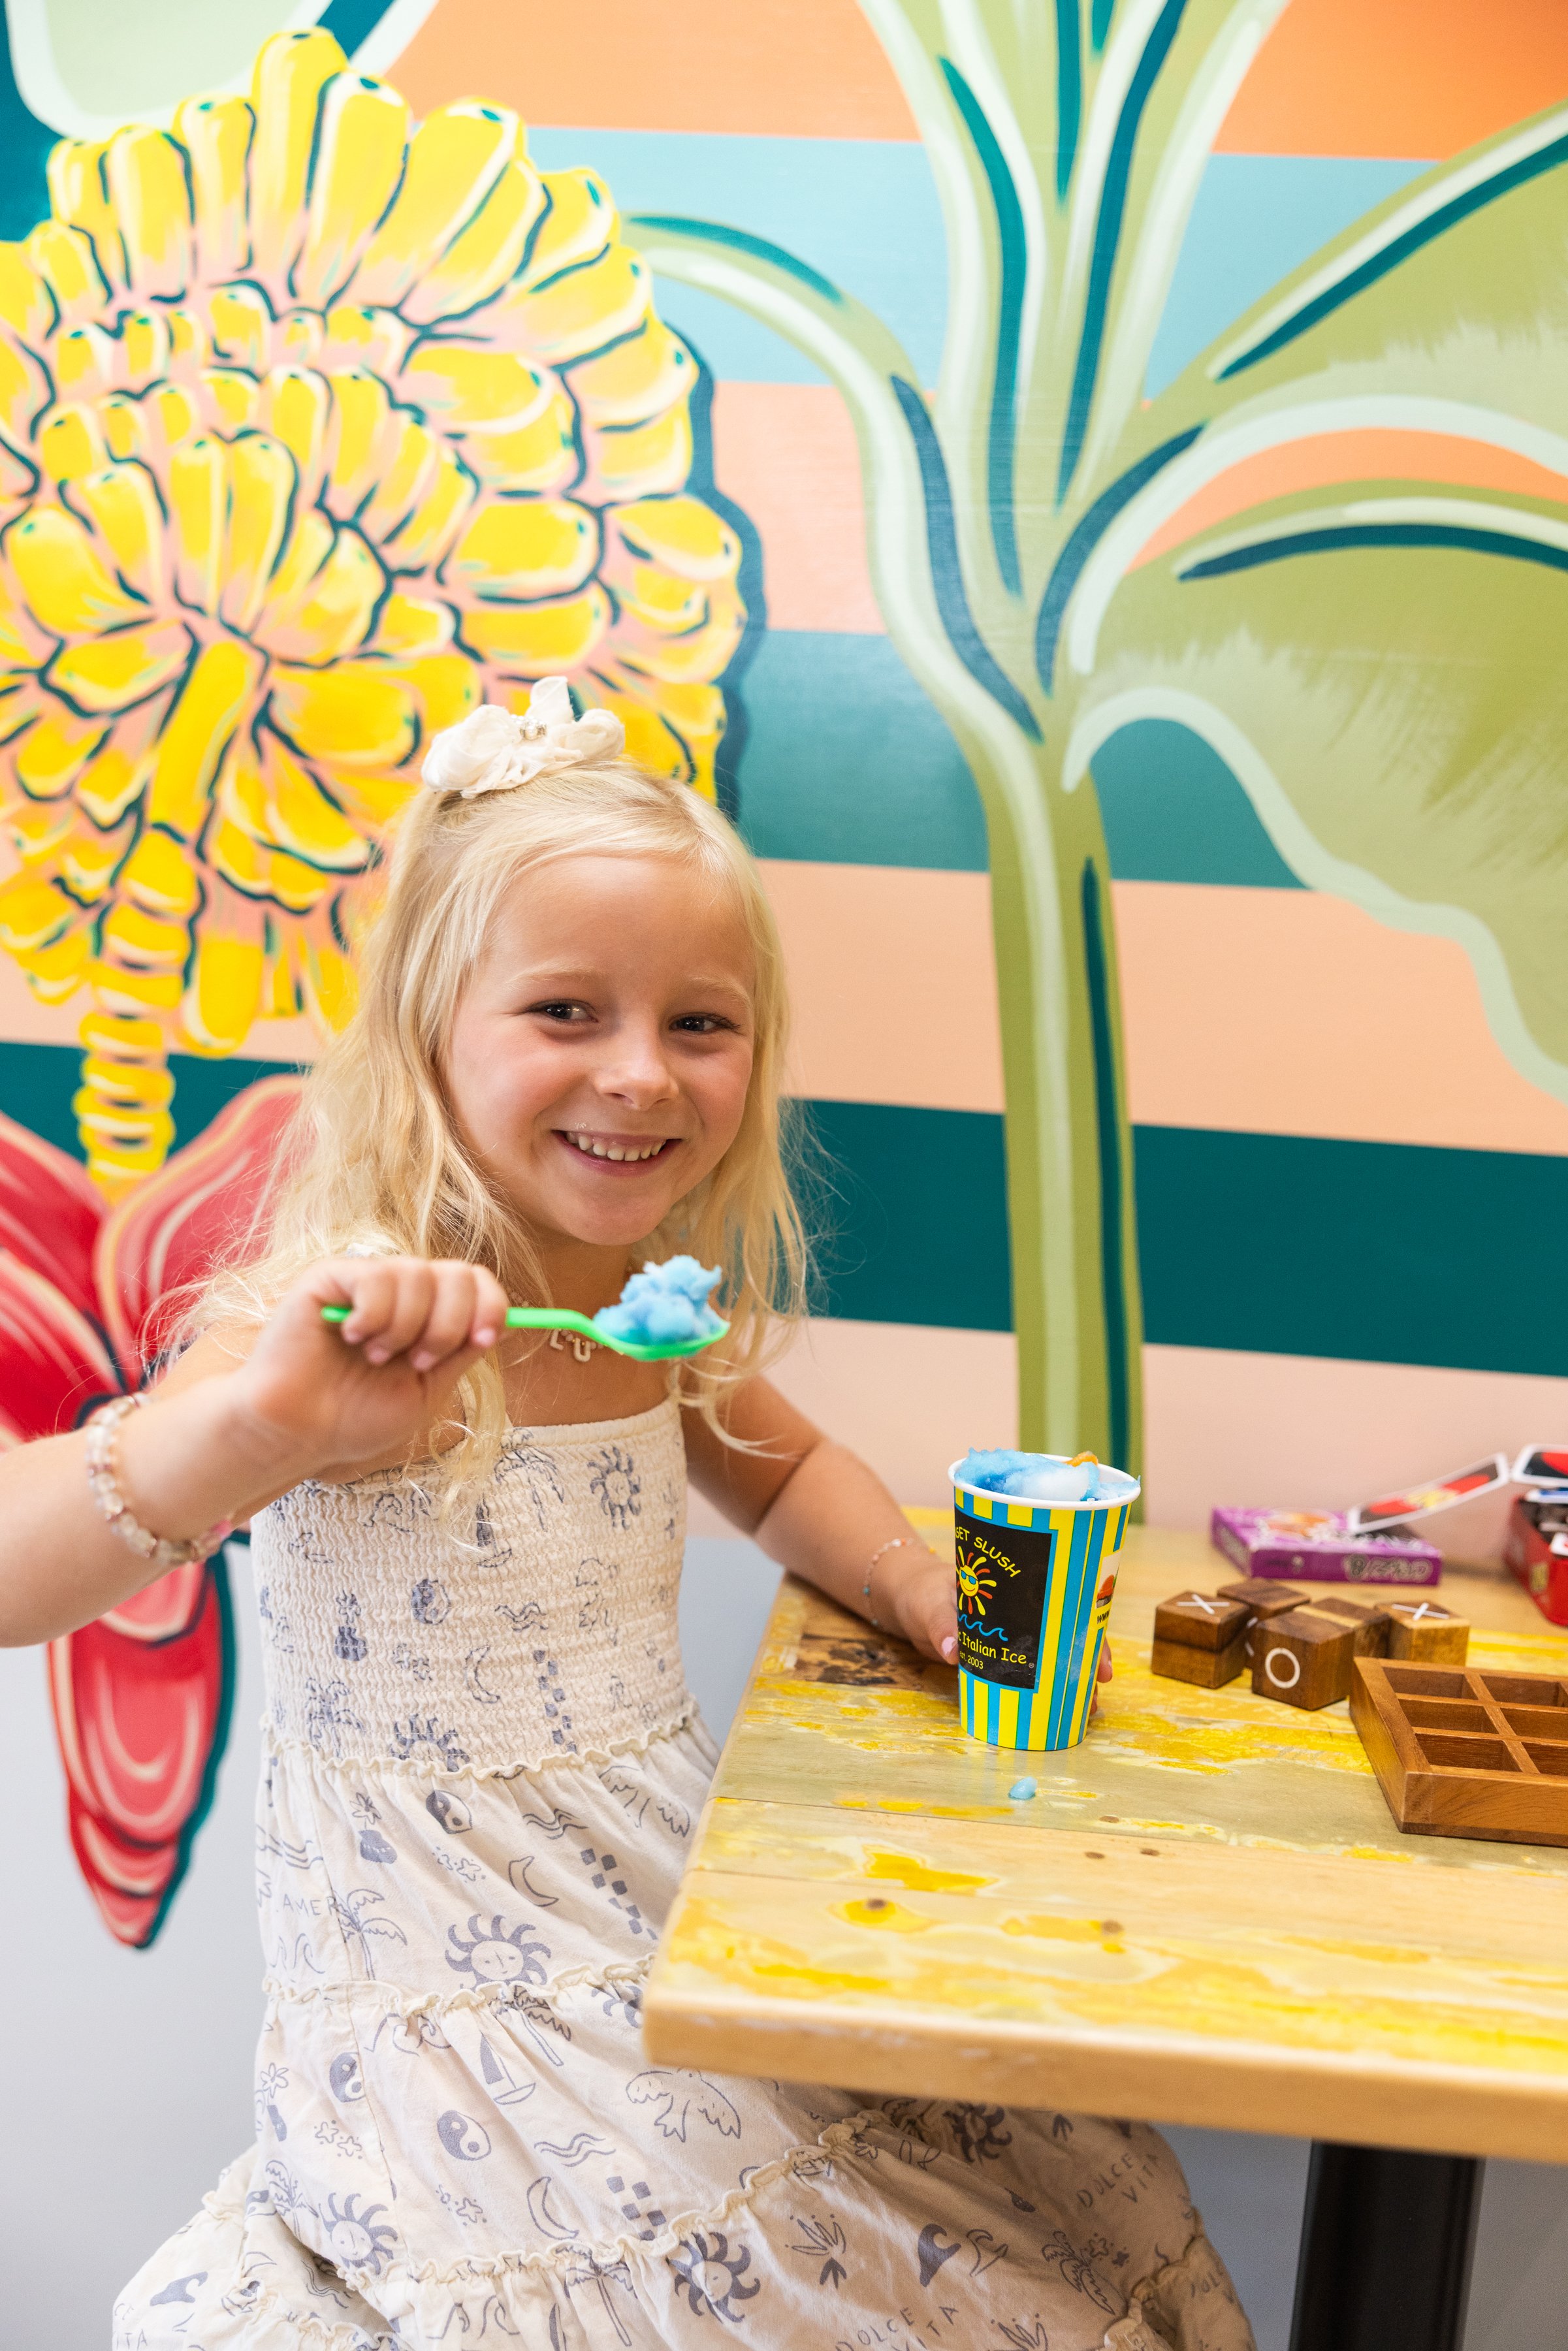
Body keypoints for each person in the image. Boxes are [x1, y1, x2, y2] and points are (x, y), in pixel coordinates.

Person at [3, 683, 1253, 2349]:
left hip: (664, 1888)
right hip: (460, 2000)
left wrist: (911, 1583)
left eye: (701, 1025)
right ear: (429, 1028)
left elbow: (785, 1466)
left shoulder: (641, 1306)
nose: (640, 1075)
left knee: (1041, 2212)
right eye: (568, 1011)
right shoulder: (333, 1323)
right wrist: (247, 1425)